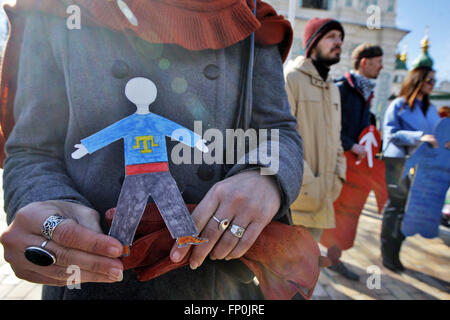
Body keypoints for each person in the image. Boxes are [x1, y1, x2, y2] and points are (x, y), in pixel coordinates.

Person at [0, 0, 305, 299]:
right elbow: (31, 150)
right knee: (135, 210)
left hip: (218, 285)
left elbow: (279, 130)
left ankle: (165, 236)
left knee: (165, 199)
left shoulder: (252, 18)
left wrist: (264, 177)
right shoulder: (56, 9)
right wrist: (45, 209)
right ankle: (121, 242)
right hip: (91, 284)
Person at [321, 43, 384, 281]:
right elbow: (327, 125)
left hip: (355, 169)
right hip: (335, 163)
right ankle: (302, 257)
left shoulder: (367, 93)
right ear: (365, 62)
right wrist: (349, 144)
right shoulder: (341, 89)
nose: (382, 66)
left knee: (347, 216)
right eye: (378, 61)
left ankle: (333, 260)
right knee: (324, 211)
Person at [381, 36, 441, 272]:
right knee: (396, 206)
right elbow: (391, 133)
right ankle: (389, 252)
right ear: (418, 79)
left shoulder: (432, 110)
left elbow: (438, 134)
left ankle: (396, 249)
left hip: (423, 166)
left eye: (435, 81)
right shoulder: (399, 105)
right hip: (398, 161)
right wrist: (420, 137)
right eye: (429, 80)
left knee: (411, 209)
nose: (432, 84)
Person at [284, 18, 346, 244]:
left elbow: (336, 138)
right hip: (295, 201)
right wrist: (308, 183)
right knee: (280, 272)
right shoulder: (291, 78)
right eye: (331, 36)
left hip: (323, 202)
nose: (338, 42)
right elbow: (280, 136)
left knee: (307, 272)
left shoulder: (333, 89)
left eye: (340, 38)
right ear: (313, 42)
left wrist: (339, 174)